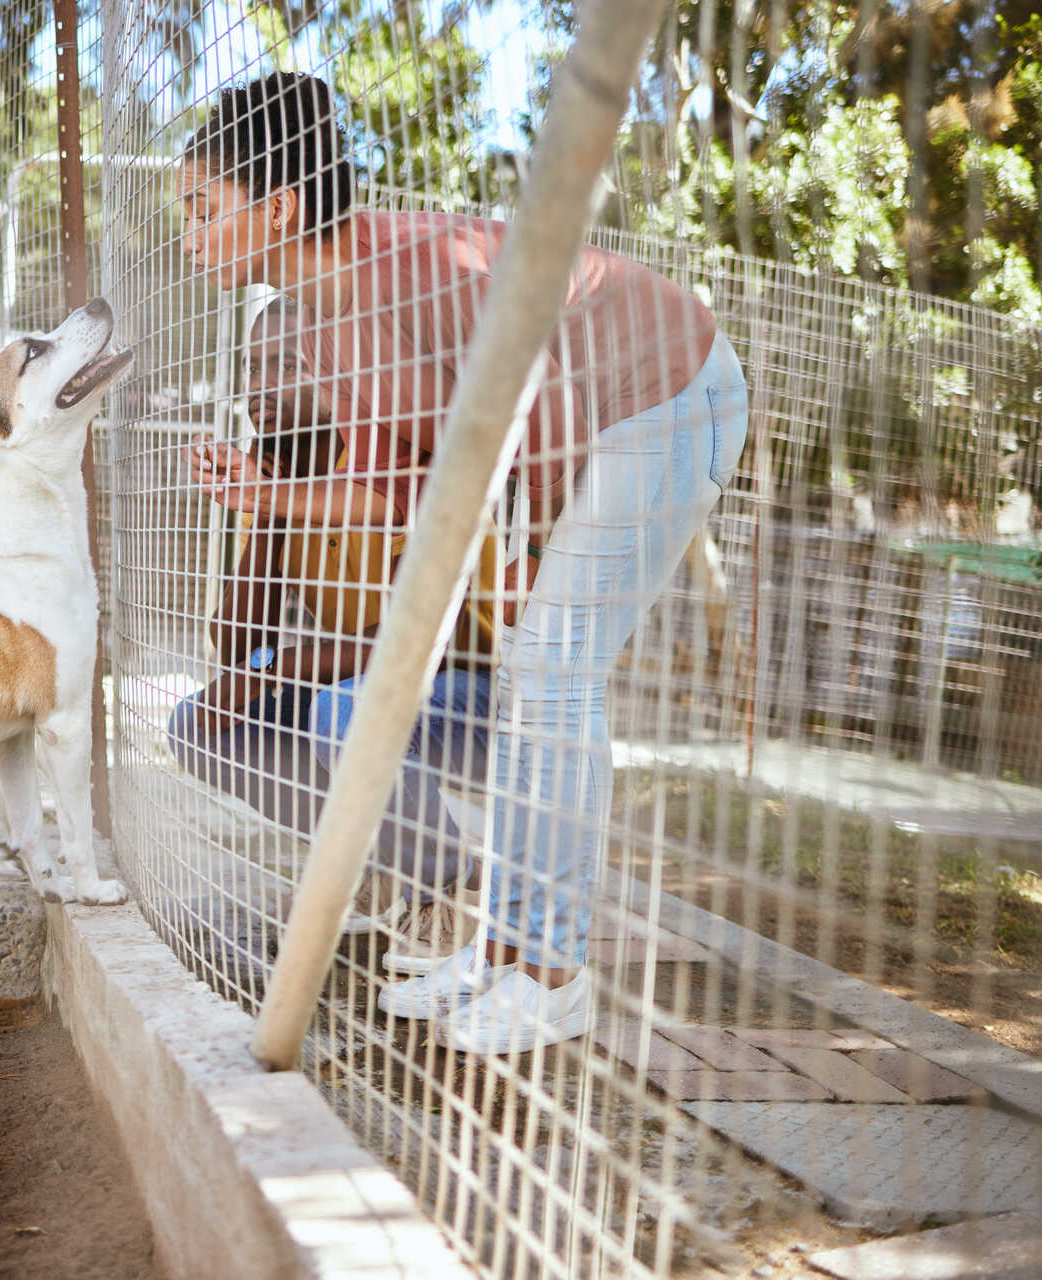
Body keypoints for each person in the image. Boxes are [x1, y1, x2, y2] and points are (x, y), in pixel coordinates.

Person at [176, 71, 749, 1053]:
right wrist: (264, 492)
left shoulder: (418, 266)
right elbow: (406, 491)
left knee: (550, 669)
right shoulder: (320, 322)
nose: (188, 235)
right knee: (538, 671)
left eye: (201, 208)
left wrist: (523, 554)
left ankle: (554, 972)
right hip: (597, 434)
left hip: (667, 398)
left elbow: (556, 398)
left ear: (275, 209)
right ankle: (502, 953)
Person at [166, 297, 502, 973]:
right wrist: (266, 509)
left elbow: (438, 632)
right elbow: (233, 647)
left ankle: (445, 888)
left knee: (337, 708)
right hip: (359, 693)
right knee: (195, 726)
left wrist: (282, 666)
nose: (257, 387)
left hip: (479, 696)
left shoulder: (400, 458)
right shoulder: (286, 480)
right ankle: (384, 855)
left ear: (342, 374)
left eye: (285, 365)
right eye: (252, 367)